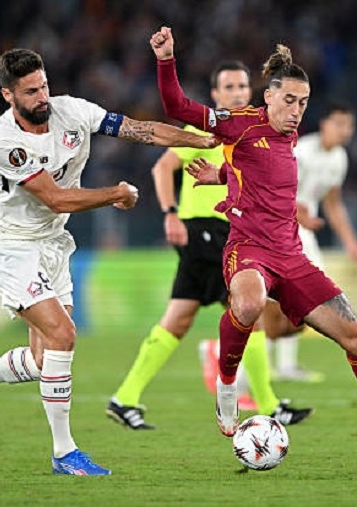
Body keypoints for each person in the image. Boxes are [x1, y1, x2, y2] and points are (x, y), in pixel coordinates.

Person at [151, 26, 357, 456]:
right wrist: (166, 59)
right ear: (269, 97)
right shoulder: (239, 123)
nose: (296, 111)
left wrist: (221, 175)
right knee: (249, 304)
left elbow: (261, 172)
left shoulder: (289, 134)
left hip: (291, 256)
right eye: (289, 100)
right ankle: (227, 384)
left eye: (303, 103)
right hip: (248, 249)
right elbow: (176, 106)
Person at [0, 48, 220, 477]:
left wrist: (200, 140)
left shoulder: (73, 111)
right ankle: (64, 452)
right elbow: (55, 198)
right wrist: (115, 194)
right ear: (8, 95)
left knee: (43, 359)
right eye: (31, 92)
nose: (42, 97)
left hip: (53, 242)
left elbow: (140, 130)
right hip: (13, 246)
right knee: (64, 335)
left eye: (44, 86)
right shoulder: (4, 142)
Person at [106, 60, 312, 430]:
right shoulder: (204, 130)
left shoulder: (251, 130)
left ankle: (125, 398)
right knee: (248, 314)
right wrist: (170, 213)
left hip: (226, 232)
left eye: (242, 86)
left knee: (179, 318)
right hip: (207, 231)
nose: (237, 93)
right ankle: (269, 405)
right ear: (215, 94)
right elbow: (161, 168)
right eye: (228, 87)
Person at [263, 100, 357, 383]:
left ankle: (284, 365)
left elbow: (333, 204)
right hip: (280, 227)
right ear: (324, 125)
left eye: (349, 125)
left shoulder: (339, 158)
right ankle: (251, 363)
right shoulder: (302, 152)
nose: (345, 130)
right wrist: (299, 216)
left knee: (298, 296)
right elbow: (277, 191)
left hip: (303, 231)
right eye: (339, 124)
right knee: (282, 297)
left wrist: (351, 242)